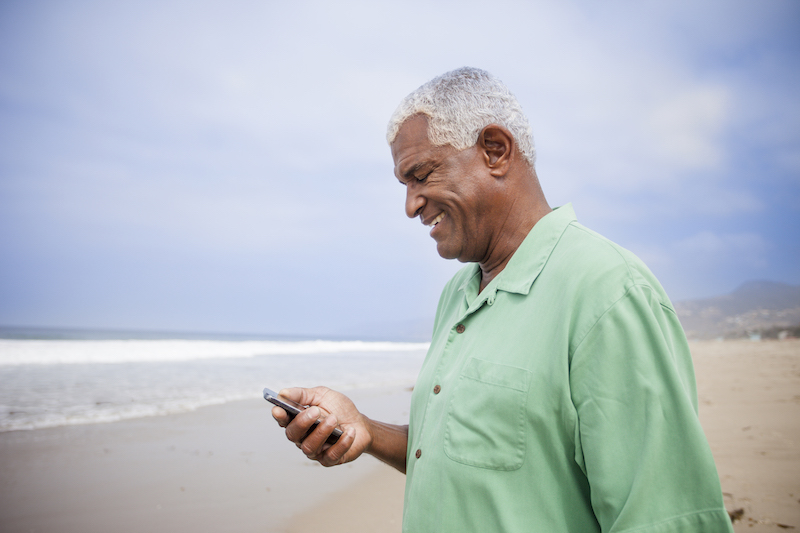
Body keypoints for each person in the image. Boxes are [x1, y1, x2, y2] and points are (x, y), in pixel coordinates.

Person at [271, 67, 733, 532]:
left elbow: (666, 515)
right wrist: (365, 430)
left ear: (495, 150)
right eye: (404, 186)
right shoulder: (459, 294)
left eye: (420, 175)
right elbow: (455, 454)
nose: (410, 205)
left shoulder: (607, 291)